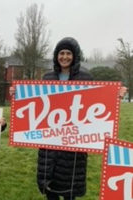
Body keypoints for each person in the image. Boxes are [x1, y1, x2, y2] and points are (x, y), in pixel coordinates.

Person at [36, 37, 127, 200]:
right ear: (56, 56)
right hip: (50, 141)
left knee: (70, 188)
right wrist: (17, 94)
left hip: (74, 142)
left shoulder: (86, 77)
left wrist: (116, 96)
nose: (64, 57)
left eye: (68, 53)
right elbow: (35, 102)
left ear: (75, 55)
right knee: (50, 188)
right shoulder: (47, 77)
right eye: (61, 53)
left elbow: (98, 101)